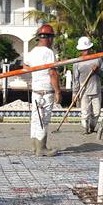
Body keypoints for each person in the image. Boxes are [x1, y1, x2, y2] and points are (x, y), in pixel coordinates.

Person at [24, 23, 62, 155]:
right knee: (43, 119)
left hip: (36, 91)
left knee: (36, 118)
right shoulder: (48, 52)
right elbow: (52, 73)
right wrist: (58, 91)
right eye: (52, 38)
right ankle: (41, 148)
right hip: (46, 92)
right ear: (49, 38)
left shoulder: (32, 52)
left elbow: (25, 66)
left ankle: (35, 146)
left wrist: (35, 74)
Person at [72, 36, 103, 134]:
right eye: (83, 50)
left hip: (96, 89)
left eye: (86, 49)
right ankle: (85, 130)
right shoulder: (77, 62)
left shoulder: (97, 59)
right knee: (85, 113)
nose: (85, 52)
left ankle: (92, 127)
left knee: (96, 112)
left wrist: (97, 70)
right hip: (83, 90)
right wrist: (74, 93)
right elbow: (75, 79)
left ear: (90, 48)